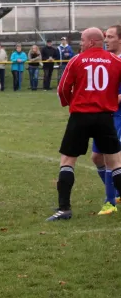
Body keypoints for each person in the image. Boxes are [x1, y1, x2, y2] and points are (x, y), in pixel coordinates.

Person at [47, 27, 121, 221]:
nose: (80, 43)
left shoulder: (76, 60)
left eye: (82, 40)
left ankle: (64, 209)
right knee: (115, 163)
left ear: (90, 42)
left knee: (68, 161)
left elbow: (63, 88)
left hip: (80, 116)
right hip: (105, 117)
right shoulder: (115, 61)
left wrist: (71, 103)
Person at [90, 25, 121, 215]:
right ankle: (117, 190)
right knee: (96, 158)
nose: (106, 40)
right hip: (103, 115)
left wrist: (106, 100)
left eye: (110, 36)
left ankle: (110, 202)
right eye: (105, 36)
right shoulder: (104, 59)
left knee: (112, 159)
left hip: (118, 115)